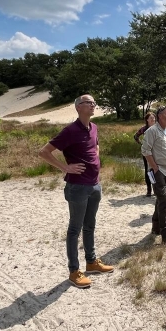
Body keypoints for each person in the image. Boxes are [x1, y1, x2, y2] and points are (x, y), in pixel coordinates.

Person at [39, 95, 115, 289]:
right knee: (75, 229)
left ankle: (91, 262)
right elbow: (44, 152)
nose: (93, 105)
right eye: (89, 102)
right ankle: (74, 271)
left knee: (90, 225)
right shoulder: (70, 131)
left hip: (95, 184)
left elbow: (96, 145)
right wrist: (65, 168)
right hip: (78, 187)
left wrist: (95, 161)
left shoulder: (94, 127)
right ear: (78, 107)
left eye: (94, 103)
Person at [141, 106, 166, 247]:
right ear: (159, 116)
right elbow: (145, 150)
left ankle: (155, 225)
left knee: (162, 198)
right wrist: (155, 167)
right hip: (157, 172)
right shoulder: (152, 131)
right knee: (164, 201)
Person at [133, 112, 157, 197]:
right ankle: (149, 189)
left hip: (156, 152)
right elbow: (135, 136)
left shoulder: (157, 128)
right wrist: (141, 144)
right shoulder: (144, 129)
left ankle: (156, 188)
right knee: (148, 170)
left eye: (154, 118)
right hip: (147, 152)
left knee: (156, 169)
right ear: (147, 120)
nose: (153, 119)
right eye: (151, 118)